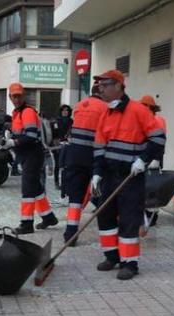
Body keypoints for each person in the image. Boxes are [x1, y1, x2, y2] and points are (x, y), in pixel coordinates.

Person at [90, 69, 166, 280]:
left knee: (129, 218)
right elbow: (98, 147)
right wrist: (96, 173)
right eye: (100, 86)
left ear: (118, 86)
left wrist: (143, 159)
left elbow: (158, 139)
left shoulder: (139, 111)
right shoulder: (105, 113)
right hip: (109, 175)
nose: (101, 89)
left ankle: (130, 263)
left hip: (131, 177)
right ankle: (112, 256)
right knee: (104, 214)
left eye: (105, 86)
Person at [4, 83, 58, 234]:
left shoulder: (27, 112)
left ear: (24, 96)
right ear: (9, 97)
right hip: (27, 154)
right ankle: (49, 217)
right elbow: (21, 134)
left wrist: (13, 142)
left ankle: (26, 224)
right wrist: (10, 139)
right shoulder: (17, 113)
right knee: (35, 187)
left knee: (27, 190)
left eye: (19, 96)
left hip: (32, 154)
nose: (17, 98)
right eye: (14, 96)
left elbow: (31, 135)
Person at [61, 84, 107, 245]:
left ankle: (70, 235)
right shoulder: (104, 108)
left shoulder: (79, 105)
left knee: (75, 198)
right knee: (102, 192)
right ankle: (111, 233)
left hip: (74, 156)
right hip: (93, 156)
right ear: (102, 92)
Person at [140, 94, 167, 230]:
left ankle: (152, 216)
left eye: (145, 106)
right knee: (147, 188)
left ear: (151, 107)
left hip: (154, 158)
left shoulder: (158, 120)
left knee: (153, 189)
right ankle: (147, 215)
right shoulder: (145, 119)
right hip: (145, 158)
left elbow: (160, 142)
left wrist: (156, 158)